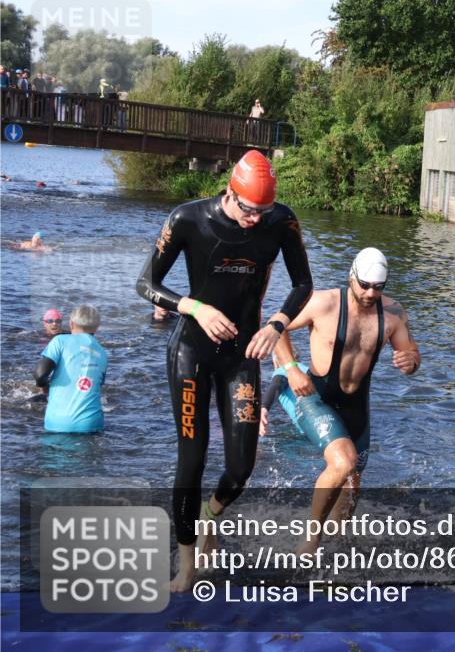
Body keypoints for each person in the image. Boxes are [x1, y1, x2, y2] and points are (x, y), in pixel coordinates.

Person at [136, 149, 313, 592]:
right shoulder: (188, 219)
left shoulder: (281, 223)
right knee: (191, 460)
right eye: (248, 209)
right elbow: (145, 284)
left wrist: (277, 324)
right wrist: (195, 307)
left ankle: (208, 515)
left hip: (243, 355)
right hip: (192, 351)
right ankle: (186, 567)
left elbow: (303, 284)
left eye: (263, 211)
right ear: (230, 192)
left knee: (240, 468)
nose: (255, 219)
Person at [271, 247, 420, 554]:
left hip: (356, 405)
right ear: (351, 276)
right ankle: (310, 541)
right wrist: (291, 370)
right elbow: (277, 326)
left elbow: (413, 355)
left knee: (352, 482)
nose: (369, 292)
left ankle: (337, 545)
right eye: (364, 284)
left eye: (378, 287)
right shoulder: (322, 303)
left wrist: (411, 362)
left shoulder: (393, 314)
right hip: (316, 396)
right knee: (343, 461)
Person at [34, 305, 108, 433]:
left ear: (71, 324)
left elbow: (40, 375)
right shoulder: (102, 353)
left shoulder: (59, 341)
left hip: (57, 423)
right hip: (92, 425)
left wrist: (45, 389)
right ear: (97, 327)